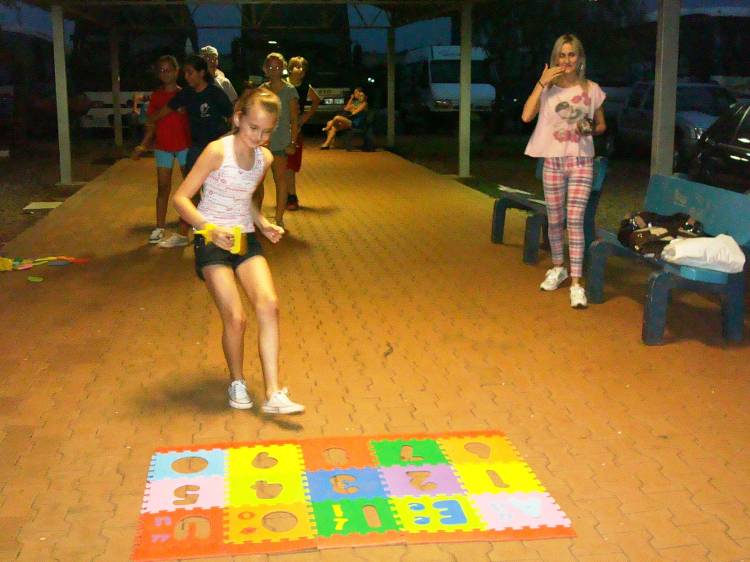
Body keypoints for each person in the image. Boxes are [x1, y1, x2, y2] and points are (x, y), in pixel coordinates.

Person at [171, 88, 305, 414]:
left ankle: (273, 393)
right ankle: (237, 380)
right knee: (235, 317)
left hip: (244, 238)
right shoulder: (217, 151)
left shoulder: (265, 158)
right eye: (253, 128)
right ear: (237, 118)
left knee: (269, 304)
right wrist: (208, 229)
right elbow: (181, 198)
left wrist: (263, 223)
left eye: (266, 131)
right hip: (210, 239)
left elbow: (243, 199)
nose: (258, 137)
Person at [521, 33, 606, 309]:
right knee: (555, 220)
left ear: (580, 58)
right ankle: (559, 267)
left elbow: (601, 125)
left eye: (572, 54)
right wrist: (541, 82)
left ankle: (577, 283)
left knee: (575, 220)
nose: (567, 60)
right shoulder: (548, 89)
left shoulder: (592, 89)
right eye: (562, 54)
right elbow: (526, 116)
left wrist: (590, 128)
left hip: (581, 162)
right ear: (555, 58)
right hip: (553, 162)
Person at [148, 54, 233, 248]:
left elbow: (233, 118)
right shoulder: (187, 94)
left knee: (216, 191)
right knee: (190, 191)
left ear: (201, 73)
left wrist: (228, 140)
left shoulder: (215, 93)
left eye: (190, 72)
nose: (186, 77)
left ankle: (219, 232)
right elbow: (165, 110)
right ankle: (184, 233)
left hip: (216, 149)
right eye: (185, 73)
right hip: (195, 148)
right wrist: (149, 120)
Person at [131, 55, 191, 245]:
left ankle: (190, 224)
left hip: (184, 146)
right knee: (163, 187)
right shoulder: (156, 96)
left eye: (169, 70)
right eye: (161, 71)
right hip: (163, 147)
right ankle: (159, 227)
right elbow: (151, 123)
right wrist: (143, 144)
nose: (165, 74)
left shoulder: (185, 94)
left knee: (190, 188)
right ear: (157, 74)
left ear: (177, 71)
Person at [254, 53, 299, 228]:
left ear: (284, 68)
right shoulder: (261, 90)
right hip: (261, 142)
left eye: (278, 67)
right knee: (257, 181)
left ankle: (279, 217)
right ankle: (256, 217)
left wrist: (292, 142)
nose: (274, 70)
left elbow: (294, 120)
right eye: (271, 67)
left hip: (281, 142)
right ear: (265, 69)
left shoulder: (289, 91)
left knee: (280, 179)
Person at [285, 56, 320, 210]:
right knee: (280, 164)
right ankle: (287, 194)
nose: (301, 70)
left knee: (290, 164)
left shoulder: (306, 87)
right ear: (290, 68)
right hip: (280, 128)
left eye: (303, 68)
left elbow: (316, 101)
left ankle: (291, 196)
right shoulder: (282, 84)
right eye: (297, 66)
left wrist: (304, 118)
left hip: (295, 130)